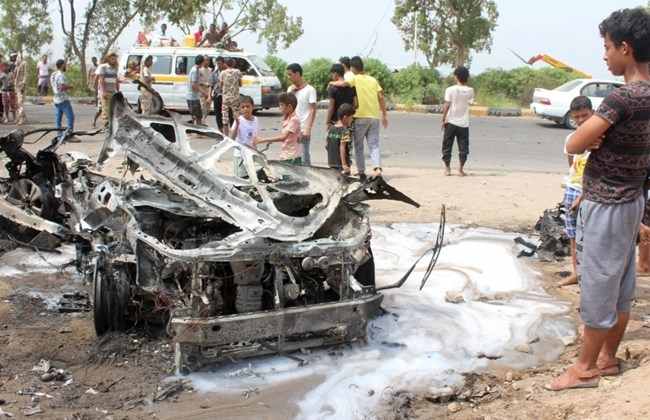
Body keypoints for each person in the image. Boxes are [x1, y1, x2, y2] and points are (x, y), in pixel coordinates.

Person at [545, 7, 650, 391]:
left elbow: (573, 142)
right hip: (632, 201)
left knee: (598, 285)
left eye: (607, 47)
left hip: (608, 205)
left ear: (625, 47)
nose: (604, 55)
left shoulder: (621, 99)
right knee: (621, 285)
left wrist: (592, 136)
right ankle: (607, 358)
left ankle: (585, 368)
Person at [329, 55, 388, 179]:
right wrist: (384, 114)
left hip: (360, 116)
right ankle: (377, 170)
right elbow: (381, 97)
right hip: (374, 117)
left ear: (353, 68)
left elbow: (344, 83)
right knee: (374, 144)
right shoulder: (373, 80)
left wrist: (331, 82)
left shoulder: (354, 78)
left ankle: (361, 171)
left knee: (359, 145)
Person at [558, 96, 594, 287]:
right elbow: (572, 165)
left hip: (592, 193)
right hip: (573, 188)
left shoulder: (601, 137)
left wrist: (584, 193)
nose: (581, 120)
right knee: (573, 235)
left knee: (591, 235)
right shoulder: (571, 139)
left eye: (585, 115)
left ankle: (590, 276)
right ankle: (576, 273)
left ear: (593, 113)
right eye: (577, 116)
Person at [441, 65, 475, 177]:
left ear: (457, 76)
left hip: (450, 121)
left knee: (447, 145)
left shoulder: (450, 90)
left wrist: (443, 120)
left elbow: (447, 105)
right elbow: (470, 102)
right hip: (464, 123)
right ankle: (460, 169)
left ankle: (447, 169)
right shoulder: (470, 90)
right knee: (463, 147)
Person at [253, 92, 302, 165]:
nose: (279, 107)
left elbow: (283, 137)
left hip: (292, 157)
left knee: (290, 176)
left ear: (289, 107)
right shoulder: (287, 118)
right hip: (286, 154)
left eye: (281, 105)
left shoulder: (294, 120)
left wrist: (263, 139)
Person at [286, 63, 317, 165]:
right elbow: (286, 108)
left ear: (297, 74)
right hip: (291, 129)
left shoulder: (310, 90)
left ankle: (308, 179)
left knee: (304, 157)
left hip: (303, 129)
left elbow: (313, 109)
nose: (288, 77)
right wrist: (291, 94)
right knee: (292, 157)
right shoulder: (290, 89)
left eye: (290, 74)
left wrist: (308, 128)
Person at [230, 95, 259, 177]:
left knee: (250, 176)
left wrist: (255, 150)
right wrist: (237, 124)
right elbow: (232, 138)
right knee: (240, 177)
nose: (245, 109)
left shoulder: (256, 120)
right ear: (240, 109)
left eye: (247, 106)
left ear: (253, 107)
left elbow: (255, 135)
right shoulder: (239, 120)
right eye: (243, 107)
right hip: (240, 154)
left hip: (251, 154)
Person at [51, 59, 77, 142]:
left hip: (56, 98)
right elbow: (62, 87)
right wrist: (70, 86)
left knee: (58, 117)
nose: (66, 66)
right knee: (71, 116)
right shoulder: (61, 75)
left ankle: (59, 135)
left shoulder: (53, 74)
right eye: (65, 64)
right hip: (63, 99)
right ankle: (69, 135)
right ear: (62, 65)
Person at [325, 103, 355, 175]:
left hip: (332, 162)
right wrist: (344, 164)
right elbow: (342, 147)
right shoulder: (345, 130)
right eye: (351, 117)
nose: (352, 119)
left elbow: (326, 145)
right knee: (345, 182)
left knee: (335, 182)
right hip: (341, 164)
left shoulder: (331, 128)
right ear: (345, 117)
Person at [326, 63, 357, 131]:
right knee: (347, 141)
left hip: (335, 121)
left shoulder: (332, 88)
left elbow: (331, 107)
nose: (332, 76)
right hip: (348, 121)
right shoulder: (352, 87)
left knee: (333, 141)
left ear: (335, 74)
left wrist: (327, 122)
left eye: (332, 74)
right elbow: (356, 104)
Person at [96, 51, 120, 130]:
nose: (114, 60)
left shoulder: (114, 69)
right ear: (108, 59)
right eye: (112, 59)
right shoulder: (103, 67)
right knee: (106, 109)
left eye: (115, 59)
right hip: (105, 91)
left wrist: (118, 91)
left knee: (112, 109)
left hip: (112, 91)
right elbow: (101, 79)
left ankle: (111, 124)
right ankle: (106, 125)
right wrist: (104, 91)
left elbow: (116, 81)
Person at [211, 56, 233, 134]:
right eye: (217, 64)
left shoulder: (230, 73)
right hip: (217, 95)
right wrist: (209, 96)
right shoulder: (214, 73)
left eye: (220, 63)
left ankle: (232, 132)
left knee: (230, 114)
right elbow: (212, 85)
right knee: (218, 115)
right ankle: (221, 133)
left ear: (224, 63)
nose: (219, 65)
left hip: (227, 96)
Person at [219, 57, 241, 131]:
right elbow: (240, 84)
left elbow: (220, 85)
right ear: (233, 63)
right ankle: (236, 135)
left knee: (225, 118)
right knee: (236, 116)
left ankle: (226, 136)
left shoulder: (223, 73)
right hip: (235, 97)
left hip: (226, 97)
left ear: (225, 64)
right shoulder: (237, 72)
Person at [187, 55, 204, 125]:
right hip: (192, 97)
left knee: (196, 116)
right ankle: (198, 131)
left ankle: (196, 131)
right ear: (201, 62)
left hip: (194, 97)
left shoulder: (196, 70)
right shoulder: (194, 70)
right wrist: (201, 91)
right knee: (197, 117)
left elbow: (197, 82)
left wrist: (204, 84)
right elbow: (193, 84)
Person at [11, 53, 27, 126]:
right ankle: (23, 117)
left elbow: (25, 75)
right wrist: (12, 81)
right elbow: (16, 76)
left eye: (13, 57)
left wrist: (23, 85)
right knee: (18, 103)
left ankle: (22, 118)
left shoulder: (24, 64)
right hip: (16, 86)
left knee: (20, 102)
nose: (12, 59)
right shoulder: (17, 65)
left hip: (21, 86)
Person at [199, 55, 212, 121]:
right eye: (205, 61)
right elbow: (197, 81)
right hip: (201, 94)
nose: (207, 62)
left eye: (208, 61)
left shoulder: (210, 70)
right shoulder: (199, 70)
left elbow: (210, 84)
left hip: (208, 94)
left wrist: (210, 96)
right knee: (202, 110)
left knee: (208, 110)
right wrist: (204, 83)